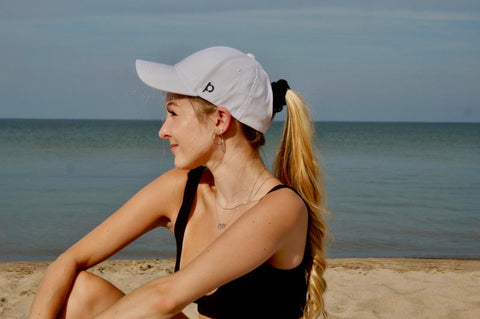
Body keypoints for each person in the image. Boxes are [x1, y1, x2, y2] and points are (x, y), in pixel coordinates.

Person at [29, 46, 329, 319]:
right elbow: (69, 260)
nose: (163, 131)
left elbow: (165, 297)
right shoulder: (182, 188)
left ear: (220, 121)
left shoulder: (282, 208)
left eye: (173, 114)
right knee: (79, 291)